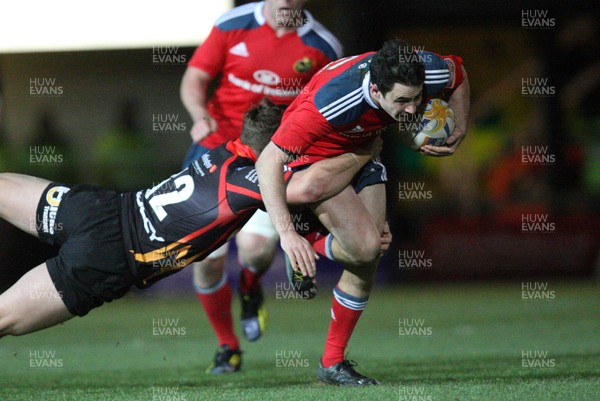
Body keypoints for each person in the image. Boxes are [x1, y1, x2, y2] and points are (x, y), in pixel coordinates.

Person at [0, 100, 383, 339]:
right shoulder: (249, 179)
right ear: (273, 152)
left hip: (98, 208)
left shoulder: (218, 152)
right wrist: (365, 150)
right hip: (111, 257)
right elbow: (308, 189)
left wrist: (324, 241)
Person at [255, 39, 470, 385]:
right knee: (367, 246)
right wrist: (286, 234)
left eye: (417, 98)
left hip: (365, 149)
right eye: (402, 100)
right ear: (374, 89)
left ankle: (332, 363)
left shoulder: (426, 69)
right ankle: (305, 243)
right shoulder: (332, 103)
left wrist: (460, 125)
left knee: (369, 256)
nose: (414, 110)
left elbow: (458, 73)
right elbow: (269, 159)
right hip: (317, 157)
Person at [179, 0, 342, 373]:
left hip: (270, 160)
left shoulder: (323, 47)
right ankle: (227, 347)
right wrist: (199, 116)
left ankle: (250, 288)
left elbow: (326, 110)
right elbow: (194, 79)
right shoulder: (232, 24)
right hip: (215, 150)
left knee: (254, 250)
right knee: (205, 261)